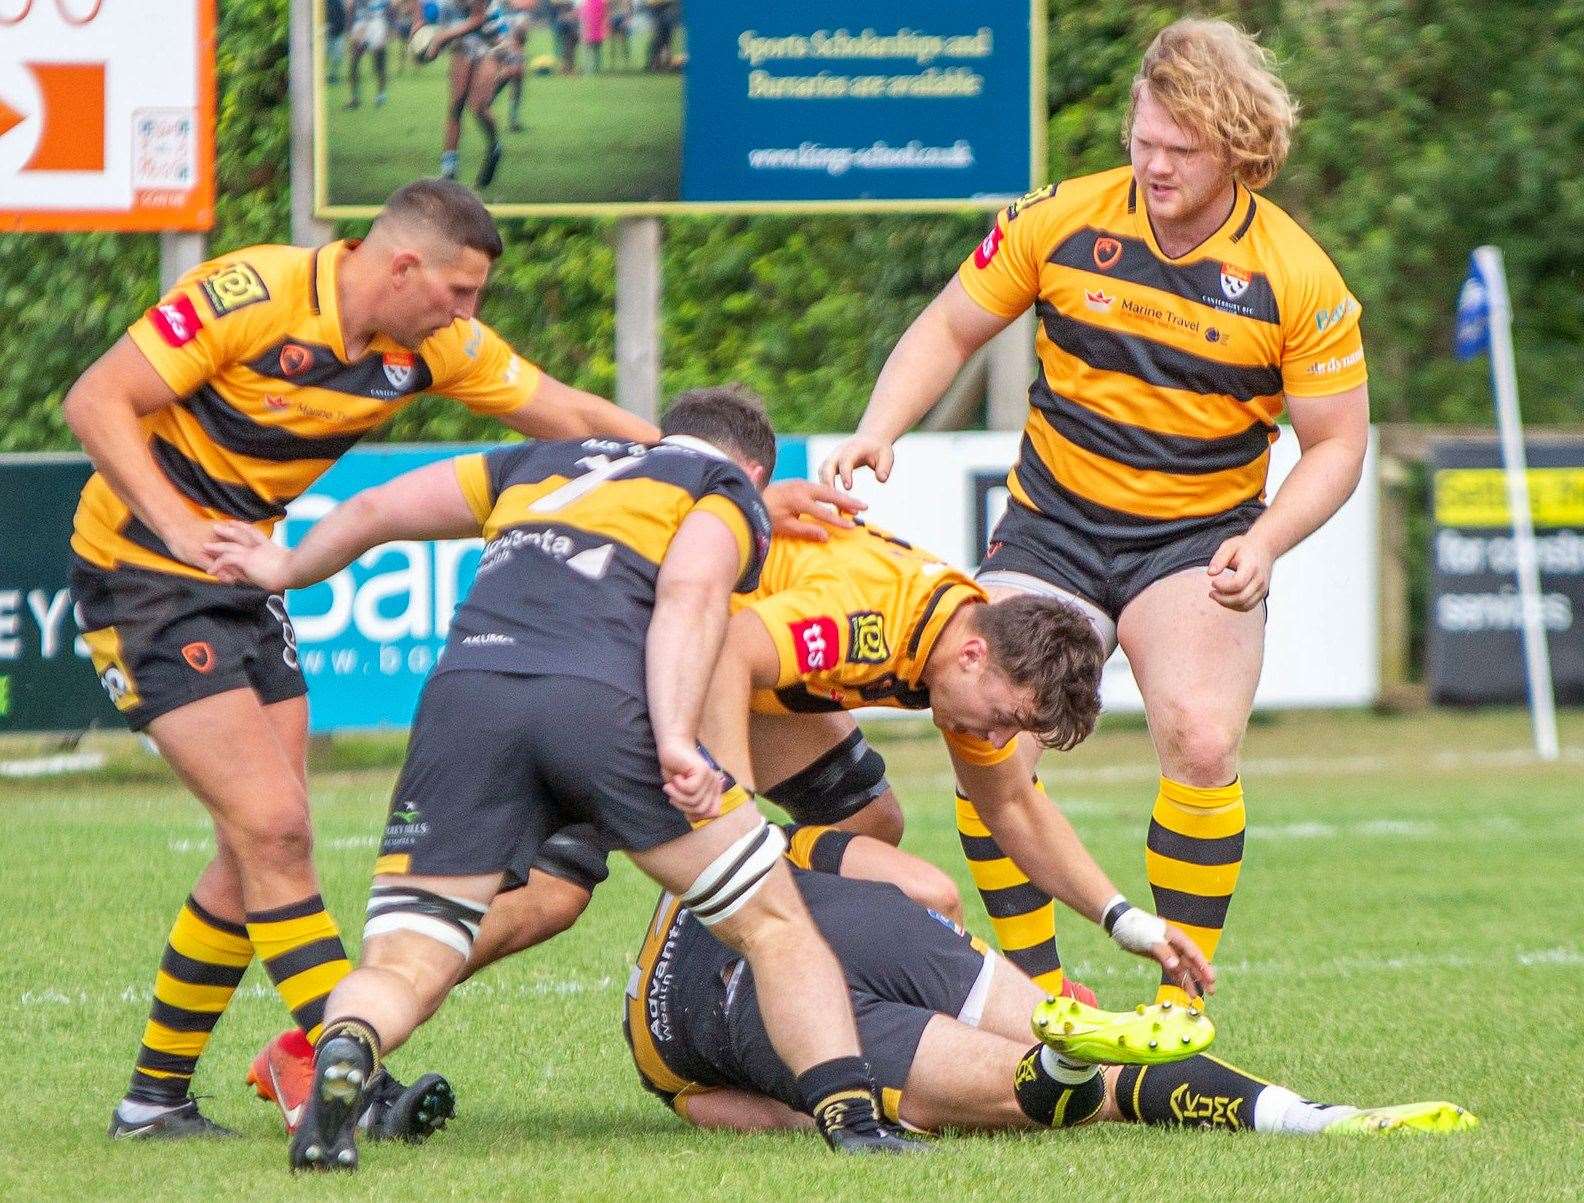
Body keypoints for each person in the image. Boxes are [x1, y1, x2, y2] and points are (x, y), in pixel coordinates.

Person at [65, 178, 658, 1142]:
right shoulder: (249, 291)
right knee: (274, 827)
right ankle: (353, 1077)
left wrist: (703, 472)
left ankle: (153, 1100)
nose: (469, 316)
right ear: (402, 266)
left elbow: (563, 410)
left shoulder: (429, 346)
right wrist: (175, 524)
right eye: (458, 293)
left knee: (250, 845)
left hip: (248, 575)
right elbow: (95, 399)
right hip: (141, 576)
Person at [209, 388, 915, 1168]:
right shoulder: (718, 493)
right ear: (752, 470)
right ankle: (853, 1119)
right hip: (602, 705)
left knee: (408, 958)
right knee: (775, 924)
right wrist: (680, 736)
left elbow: (376, 507)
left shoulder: (540, 461)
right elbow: (691, 597)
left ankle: (344, 1047)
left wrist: (281, 564)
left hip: (464, 700)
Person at [821, 17, 1371, 1007]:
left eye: (1180, 150)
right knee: (987, 725)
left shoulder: (1299, 277)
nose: (1154, 165)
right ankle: (1037, 992)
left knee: (1201, 738)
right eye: (1143, 141)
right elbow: (950, 324)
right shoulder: (1062, 219)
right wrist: (879, 426)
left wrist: (1265, 538)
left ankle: (1179, 1004)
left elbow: (1337, 444)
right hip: (1053, 530)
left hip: (1194, 542)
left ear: (1238, 149)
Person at [621, 845, 1477, 1140]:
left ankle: (1060, 1064)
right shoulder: (728, 849)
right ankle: (1314, 1115)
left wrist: (868, 1109)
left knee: (1057, 1097)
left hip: (751, 1006)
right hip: (864, 918)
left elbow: (768, 1114)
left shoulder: (657, 1056)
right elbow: (928, 888)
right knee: (1050, 1033)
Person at [346, 0, 393, 108]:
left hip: (377, 25)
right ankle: (354, 97)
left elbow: (390, 10)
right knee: (353, 63)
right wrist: (350, 30)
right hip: (361, 24)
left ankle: (380, 95)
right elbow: (351, 9)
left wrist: (388, 29)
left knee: (379, 65)